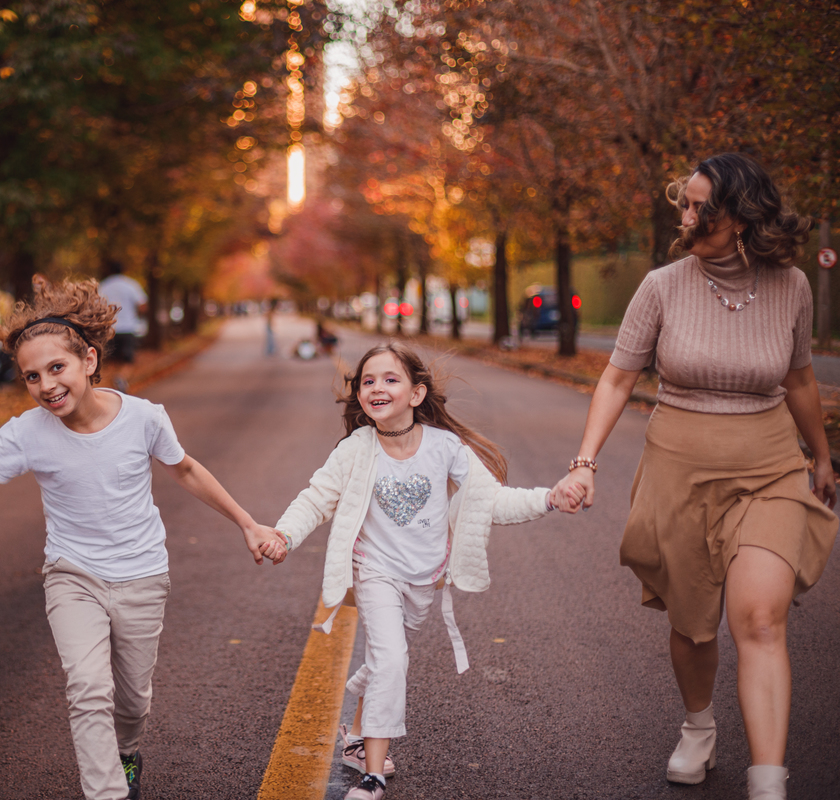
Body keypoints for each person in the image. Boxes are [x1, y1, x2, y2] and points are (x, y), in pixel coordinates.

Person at [0, 278, 286, 800]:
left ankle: (127, 753)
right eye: (31, 376)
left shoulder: (142, 418)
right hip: (73, 577)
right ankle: (107, 792)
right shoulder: (28, 432)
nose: (46, 385)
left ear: (89, 360)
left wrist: (248, 523)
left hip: (142, 575)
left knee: (133, 700)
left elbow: (185, 470)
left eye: (57, 368)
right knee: (88, 689)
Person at [553, 153, 838, 800]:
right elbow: (618, 377)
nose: (683, 214)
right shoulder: (662, 285)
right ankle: (698, 725)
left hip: (768, 465)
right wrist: (585, 461)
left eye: (696, 203)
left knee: (760, 619)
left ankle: (769, 781)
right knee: (692, 624)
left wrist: (820, 457)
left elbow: (797, 378)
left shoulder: (792, 285)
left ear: (737, 215)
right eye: (683, 202)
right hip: (679, 466)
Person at [268, 341, 582, 800]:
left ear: (416, 394)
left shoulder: (445, 448)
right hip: (374, 571)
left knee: (384, 662)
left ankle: (355, 740)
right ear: (359, 396)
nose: (376, 387)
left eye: (390, 379)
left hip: (423, 580)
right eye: (367, 381)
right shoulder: (357, 449)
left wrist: (549, 498)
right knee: (392, 659)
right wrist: (284, 536)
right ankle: (373, 776)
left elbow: (490, 501)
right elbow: (317, 498)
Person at [97, 259, 147, 391]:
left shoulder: (103, 286)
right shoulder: (131, 284)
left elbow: (95, 307)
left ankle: (115, 386)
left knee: (111, 361)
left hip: (109, 329)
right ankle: (121, 378)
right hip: (128, 328)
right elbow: (142, 306)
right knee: (128, 361)